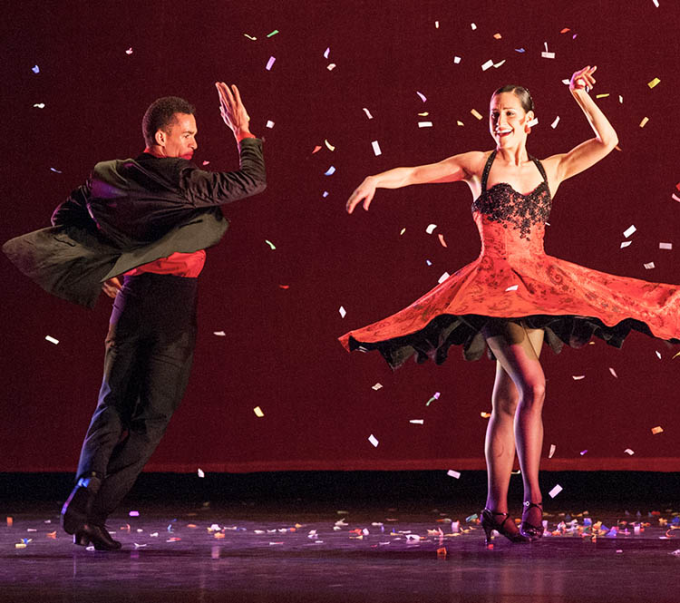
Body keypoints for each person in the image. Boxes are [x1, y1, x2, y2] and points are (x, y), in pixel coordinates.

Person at [340, 66, 680, 545]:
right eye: (495, 113)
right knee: (534, 386)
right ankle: (534, 499)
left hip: (538, 288)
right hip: (491, 290)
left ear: (530, 121)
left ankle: (494, 509)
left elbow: (606, 140)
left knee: (509, 400)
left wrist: (580, 95)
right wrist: (377, 177)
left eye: (509, 114)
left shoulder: (550, 169)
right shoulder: (477, 165)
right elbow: (417, 172)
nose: (499, 121)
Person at [3, 83, 266, 550]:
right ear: (161, 139)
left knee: (112, 406)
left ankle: (85, 498)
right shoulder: (186, 182)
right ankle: (91, 510)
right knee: (152, 418)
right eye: (187, 135)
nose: (194, 144)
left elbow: (65, 216)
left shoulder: (110, 176)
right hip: (170, 307)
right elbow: (252, 180)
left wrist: (106, 263)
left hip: (131, 299)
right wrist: (242, 130)